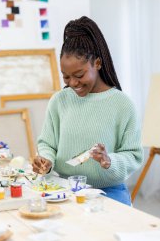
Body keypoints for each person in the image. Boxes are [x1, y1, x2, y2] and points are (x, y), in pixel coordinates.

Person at [32, 16, 143, 206]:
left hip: (109, 192)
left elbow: (133, 155)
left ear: (97, 64)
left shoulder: (123, 105)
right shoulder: (59, 101)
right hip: (64, 189)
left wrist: (110, 161)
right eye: (66, 77)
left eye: (79, 75)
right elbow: (48, 144)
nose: (73, 83)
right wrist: (46, 160)